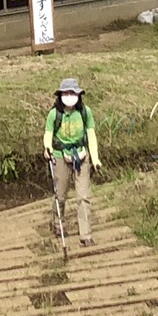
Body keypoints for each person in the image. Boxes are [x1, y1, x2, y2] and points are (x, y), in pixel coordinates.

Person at [41, 78, 102, 247]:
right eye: (66, 93)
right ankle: (57, 223)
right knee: (60, 194)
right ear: (60, 96)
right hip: (61, 157)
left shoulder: (85, 112)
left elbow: (91, 135)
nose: (69, 96)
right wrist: (47, 148)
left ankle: (86, 235)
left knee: (83, 197)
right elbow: (48, 133)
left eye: (72, 93)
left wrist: (95, 159)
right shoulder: (54, 114)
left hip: (81, 157)